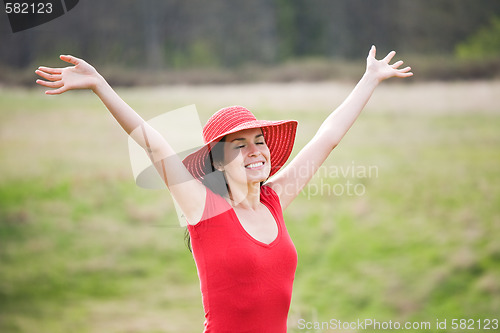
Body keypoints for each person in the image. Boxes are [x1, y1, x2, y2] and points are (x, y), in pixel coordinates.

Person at [35, 45, 412, 332]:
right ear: (216, 160)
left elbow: (327, 138)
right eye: (239, 144)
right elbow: (154, 144)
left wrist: (368, 80)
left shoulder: (274, 199)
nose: (255, 151)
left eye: (259, 140)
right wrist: (100, 86)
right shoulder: (204, 207)